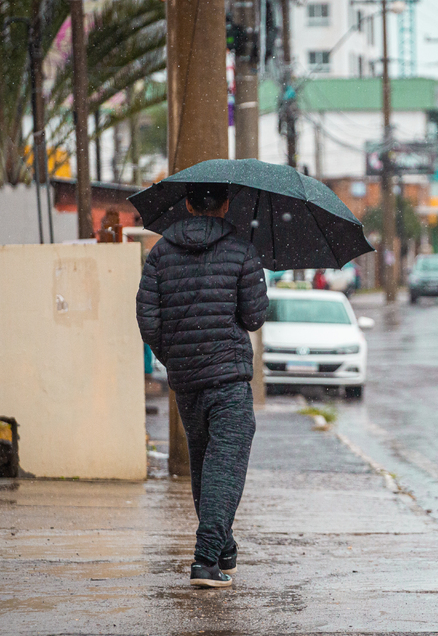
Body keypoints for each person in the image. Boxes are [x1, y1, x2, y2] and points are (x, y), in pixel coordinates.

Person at [136, 183, 269, 589]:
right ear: (225, 204)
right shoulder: (241, 249)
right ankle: (205, 560)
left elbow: (149, 321)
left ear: (188, 204)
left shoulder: (160, 253)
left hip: (188, 381)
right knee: (225, 466)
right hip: (228, 378)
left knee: (206, 463)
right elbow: (254, 316)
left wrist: (176, 357)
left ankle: (224, 547)